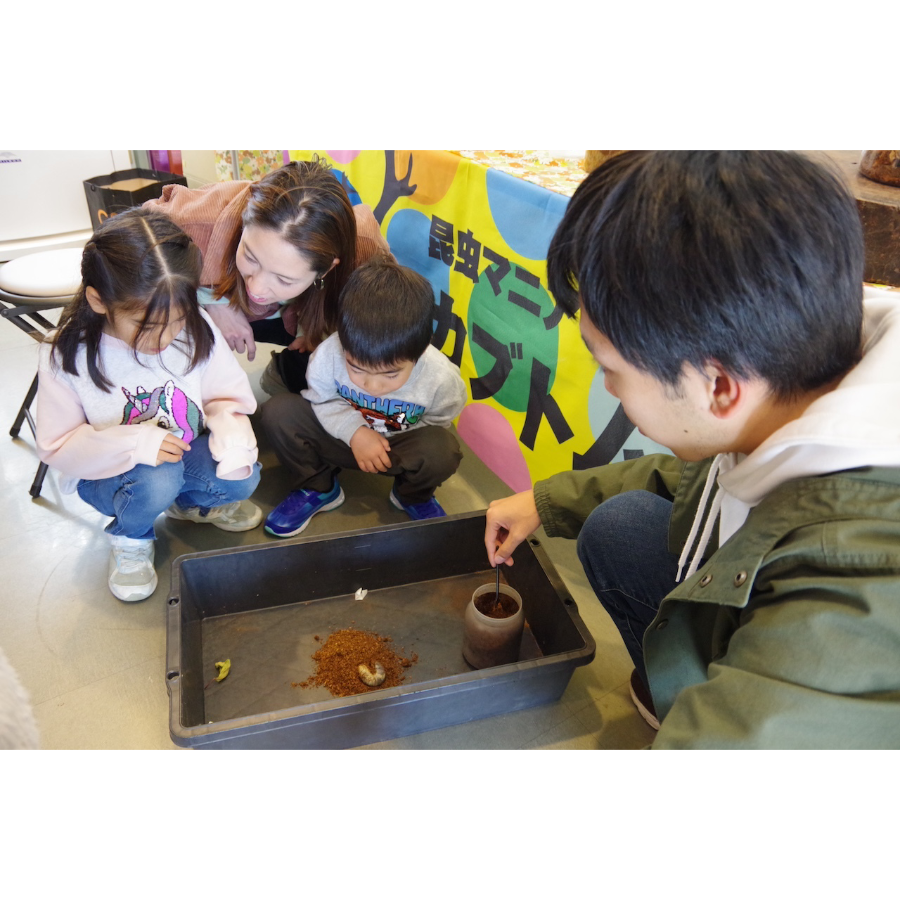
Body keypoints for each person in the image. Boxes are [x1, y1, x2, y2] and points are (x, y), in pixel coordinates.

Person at [485, 149, 900, 750]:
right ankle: (676, 684)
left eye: (611, 369)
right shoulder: (794, 376)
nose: (609, 388)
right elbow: (703, 477)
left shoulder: (853, 586)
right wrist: (544, 501)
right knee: (621, 526)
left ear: (719, 387)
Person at [37, 209, 262, 603]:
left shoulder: (198, 326)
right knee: (158, 477)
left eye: (178, 319)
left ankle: (186, 506)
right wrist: (137, 444)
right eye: (148, 325)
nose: (166, 337)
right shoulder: (66, 354)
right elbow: (58, 446)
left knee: (242, 478)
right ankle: (132, 535)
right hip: (107, 474)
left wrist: (233, 441)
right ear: (99, 300)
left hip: (178, 456)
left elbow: (223, 396)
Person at [144, 158, 391, 394]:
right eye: (251, 257)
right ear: (244, 222)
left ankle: (286, 371)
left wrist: (320, 335)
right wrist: (211, 300)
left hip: (304, 313)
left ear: (326, 269)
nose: (257, 289)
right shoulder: (195, 220)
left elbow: (390, 329)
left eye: (284, 279)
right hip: (217, 300)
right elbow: (133, 255)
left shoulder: (366, 253)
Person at [262, 257, 467, 538]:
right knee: (279, 412)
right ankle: (318, 487)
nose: (372, 386)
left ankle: (412, 496)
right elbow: (322, 399)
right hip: (339, 436)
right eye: (356, 369)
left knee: (442, 449)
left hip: (395, 447)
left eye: (391, 374)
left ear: (419, 353)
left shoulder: (442, 378)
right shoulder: (328, 354)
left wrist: (381, 442)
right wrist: (356, 433)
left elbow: (438, 421)